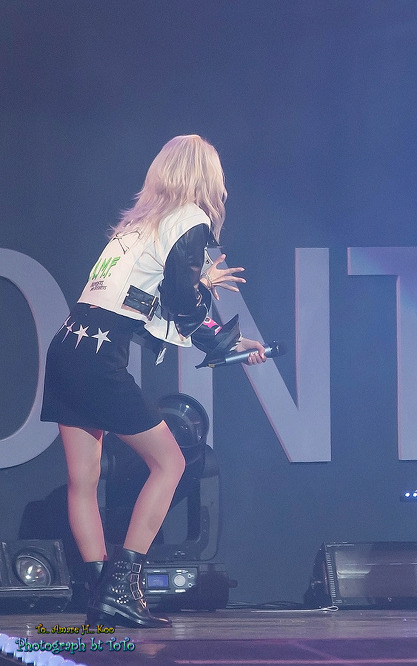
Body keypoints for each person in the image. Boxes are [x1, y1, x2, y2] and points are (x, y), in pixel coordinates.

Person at [40, 135, 268, 628]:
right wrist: (220, 337)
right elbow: (180, 303)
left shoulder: (137, 224)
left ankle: (101, 595)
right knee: (171, 462)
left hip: (67, 345)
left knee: (83, 480)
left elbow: (143, 301)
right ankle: (122, 588)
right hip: (99, 354)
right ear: (206, 175)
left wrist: (209, 308)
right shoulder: (190, 220)